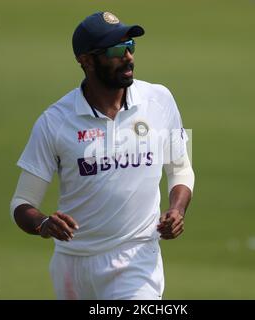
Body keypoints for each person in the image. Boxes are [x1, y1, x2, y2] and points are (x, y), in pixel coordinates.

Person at [10, 11, 195, 300]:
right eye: (116, 51)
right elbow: (21, 204)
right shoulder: (55, 121)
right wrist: (44, 224)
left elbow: (181, 169)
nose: (128, 57)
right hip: (73, 265)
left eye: (130, 46)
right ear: (86, 60)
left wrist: (177, 209)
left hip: (137, 257)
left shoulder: (159, 100)